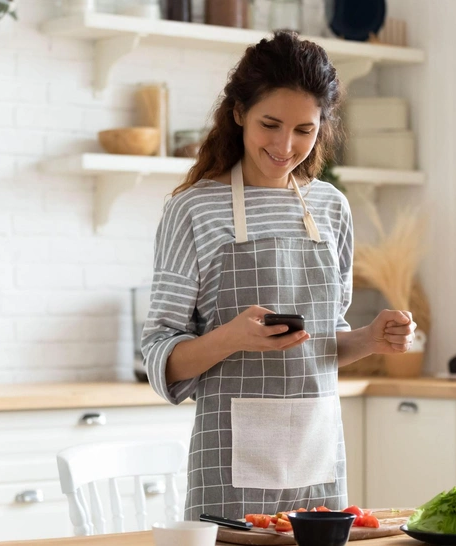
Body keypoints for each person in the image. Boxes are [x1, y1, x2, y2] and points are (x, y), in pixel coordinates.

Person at [142, 30, 417, 521]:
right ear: (238, 113)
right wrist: (231, 337)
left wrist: (371, 339)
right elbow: (161, 356)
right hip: (228, 466)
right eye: (270, 124)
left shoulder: (331, 207)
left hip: (317, 458)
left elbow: (323, 345)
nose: (285, 146)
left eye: (304, 130)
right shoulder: (193, 209)